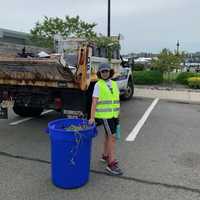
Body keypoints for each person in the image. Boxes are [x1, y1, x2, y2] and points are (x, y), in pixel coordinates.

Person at [89, 63, 123, 176]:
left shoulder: (114, 84)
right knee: (112, 137)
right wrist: (92, 117)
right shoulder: (98, 85)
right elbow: (94, 101)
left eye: (106, 71)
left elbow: (117, 100)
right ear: (99, 73)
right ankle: (111, 164)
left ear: (110, 72)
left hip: (114, 115)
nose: (104, 73)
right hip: (105, 116)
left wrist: (118, 114)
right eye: (102, 71)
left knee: (108, 136)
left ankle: (105, 155)